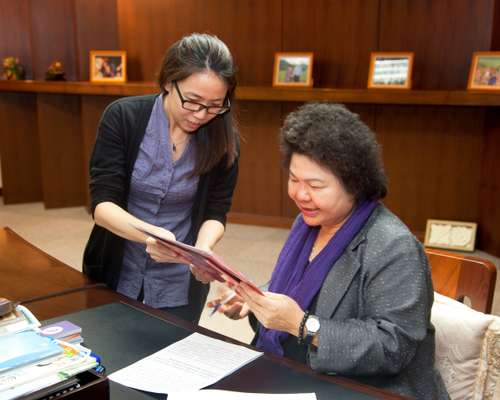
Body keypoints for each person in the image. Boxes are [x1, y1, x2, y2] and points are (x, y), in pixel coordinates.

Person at [200, 103, 449, 399]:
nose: (301, 195)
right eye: (294, 180)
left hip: (365, 388)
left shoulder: (393, 246)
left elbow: (393, 347)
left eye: (316, 185)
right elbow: (302, 289)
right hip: (296, 370)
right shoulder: (308, 224)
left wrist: (303, 325)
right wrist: (254, 300)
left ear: (355, 184)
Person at [83, 33, 239, 324]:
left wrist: (202, 252)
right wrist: (151, 236)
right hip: (116, 264)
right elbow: (103, 206)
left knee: (170, 354)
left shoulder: (224, 140)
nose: (201, 114)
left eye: (215, 105)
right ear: (169, 82)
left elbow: (216, 211)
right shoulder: (123, 117)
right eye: (192, 101)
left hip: (179, 278)